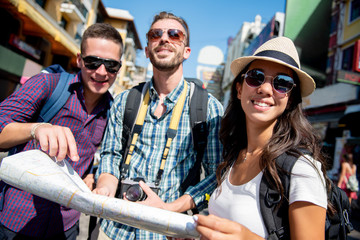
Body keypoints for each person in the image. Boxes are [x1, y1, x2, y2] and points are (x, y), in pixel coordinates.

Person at [151, 36, 330, 239]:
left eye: (282, 83)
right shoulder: (232, 157)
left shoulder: (301, 170)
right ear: (239, 89)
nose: (265, 88)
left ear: (289, 100)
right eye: (256, 77)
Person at [93, 11, 223, 240]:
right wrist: (104, 188)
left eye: (174, 34)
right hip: (113, 230)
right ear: (146, 50)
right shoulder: (125, 101)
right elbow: (111, 155)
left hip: (168, 232)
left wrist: (169, 209)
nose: (164, 38)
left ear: (186, 51)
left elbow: (216, 176)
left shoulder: (208, 108)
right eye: (156, 34)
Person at [0, 23, 123, 239]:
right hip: (16, 219)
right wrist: (36, 128)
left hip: (66, 226)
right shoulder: (48, 84)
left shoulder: (113, 111)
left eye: (111, 65)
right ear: (79, 60)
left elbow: (102, 157)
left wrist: (93, 176)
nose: (102, 72)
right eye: (93, 62)